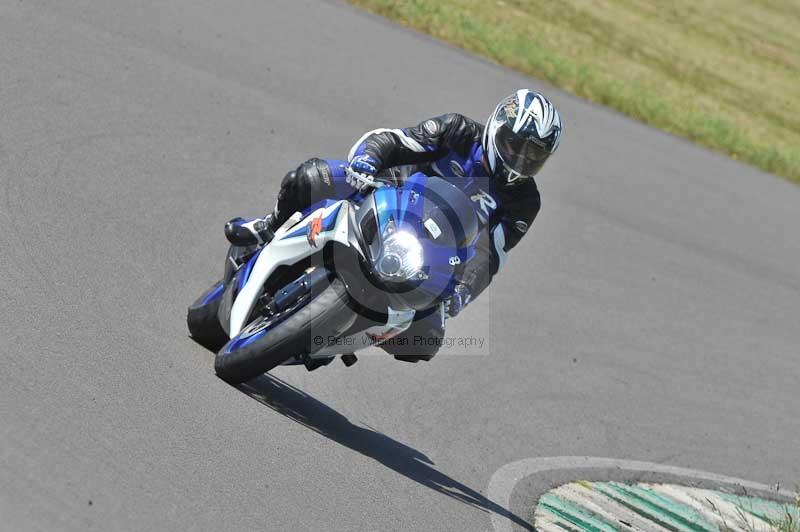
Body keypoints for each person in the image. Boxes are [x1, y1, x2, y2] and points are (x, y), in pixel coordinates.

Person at [224, 89, 562, 362]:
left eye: (533, 157)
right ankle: (267, 228)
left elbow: (489, 256)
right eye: (515, 146)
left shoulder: (524, 201)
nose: (519, 160)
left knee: (426, 339)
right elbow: (396, 140)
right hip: (381, 196)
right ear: (496, 126)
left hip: (429, 259)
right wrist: (367, 162)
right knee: (310, 177)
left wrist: (461, 294)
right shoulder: (458, 131)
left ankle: (340, 335)